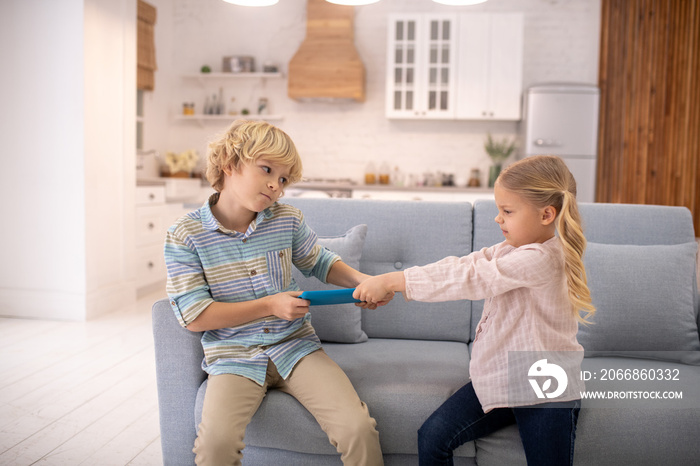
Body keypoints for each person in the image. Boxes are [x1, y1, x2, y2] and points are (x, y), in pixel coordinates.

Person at [164, 120, 384, 466]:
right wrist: (270, 305)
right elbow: (195, 316)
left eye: (282, 179)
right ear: (230, 164)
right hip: (233, 357)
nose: (275, 185)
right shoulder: (185, 235)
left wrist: (368, 282)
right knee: (215, 447)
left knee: (357, 429)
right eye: (266, 169)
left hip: (296, 348)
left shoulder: (287, 219)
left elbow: (320, 261)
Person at [353, 155, 595, 466]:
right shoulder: (512, 249)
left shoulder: (543, 258)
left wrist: (396, 279)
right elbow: (466, 265)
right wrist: (396, 283)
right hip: (506, 377)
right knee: (432, 438)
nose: (498, 218)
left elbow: (474, 279)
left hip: (546, 390)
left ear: (547, 214)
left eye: (507, 211)